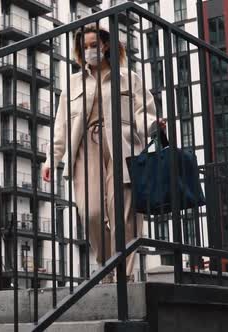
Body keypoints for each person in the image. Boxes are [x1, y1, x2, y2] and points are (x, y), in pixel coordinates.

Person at [41, 22, 165, 282]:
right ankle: (106, 266)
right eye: (85, 47)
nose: (90, 51)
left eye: (94, 45)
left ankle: (123, 274)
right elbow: (62, 125)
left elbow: (144, 113)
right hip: (87, 151)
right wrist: (52, 158)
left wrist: (154, 125)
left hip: (123, 149)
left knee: (123, 214)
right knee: (91, 213)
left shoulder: (128, 78)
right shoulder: (73, 85)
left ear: (106, 45)